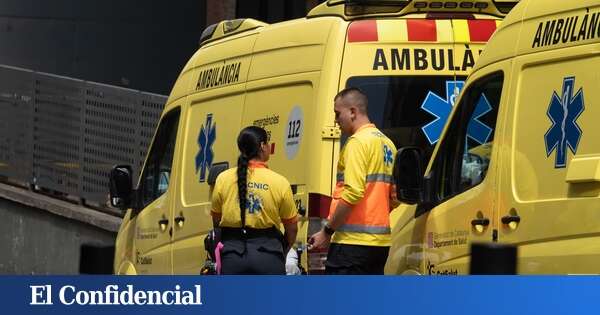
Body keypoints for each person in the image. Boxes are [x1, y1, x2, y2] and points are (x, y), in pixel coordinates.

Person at [309, 87, 397, 275]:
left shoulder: (357, 143)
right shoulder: (388, 144)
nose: (335, 120)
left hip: (351, 245)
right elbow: (395, 197)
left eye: (337, 113)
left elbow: (353, 192)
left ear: (353, 112)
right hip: (380, 246)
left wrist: (327, 231)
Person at [211, 126, 298, 274]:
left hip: (232, 257)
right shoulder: (279, 182)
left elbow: (216, 221)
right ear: (263, 146)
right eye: (268, 143)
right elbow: (292, 228)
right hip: (268, 256)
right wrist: (281, 250)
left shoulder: (223, 179)